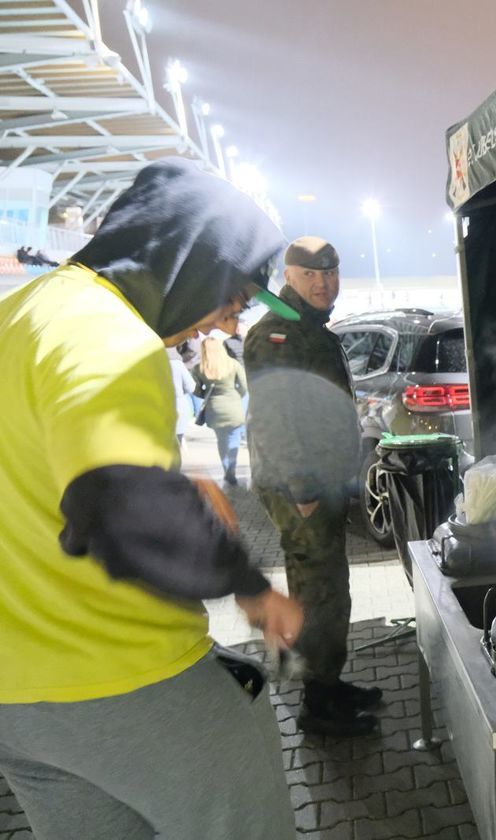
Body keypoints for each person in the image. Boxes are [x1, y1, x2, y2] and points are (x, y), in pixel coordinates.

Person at [0, 158, 305, 839]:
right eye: (232, 301)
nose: (221, 325)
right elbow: (124, 506)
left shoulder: (20, 314)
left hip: (16, 703)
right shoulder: (109, 336)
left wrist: (173, 489)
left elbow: (47, 474)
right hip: (128, 680)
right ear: (192, 264)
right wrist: (251, 586)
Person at [245, 235, 379, 737]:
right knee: (317, 589)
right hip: (301, 490)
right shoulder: (277, 333)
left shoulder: (311, 328)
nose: (323, 283)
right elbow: (274, 419)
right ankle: (317, 706)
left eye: (331, 273)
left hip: (321, 483)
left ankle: (329, 684)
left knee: (329, 587)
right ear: (291, 276)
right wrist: (302, 488)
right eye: (312, 275)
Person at [195, 336, 248, 486]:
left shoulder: (199, 368)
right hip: (234, 407)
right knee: (234, 440)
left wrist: (205, 394)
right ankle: (232, 470)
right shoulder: (234, 364)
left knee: (222, 441)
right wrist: (237, 396)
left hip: (214, 410)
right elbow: (244, 386)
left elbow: (195, 389)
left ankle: (226, 470)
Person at [168, 346, 197, 447]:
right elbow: (191, 387)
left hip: (157, 407)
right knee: (177, 441)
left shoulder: (152, 364)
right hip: (178, 404)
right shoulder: (177, 364)